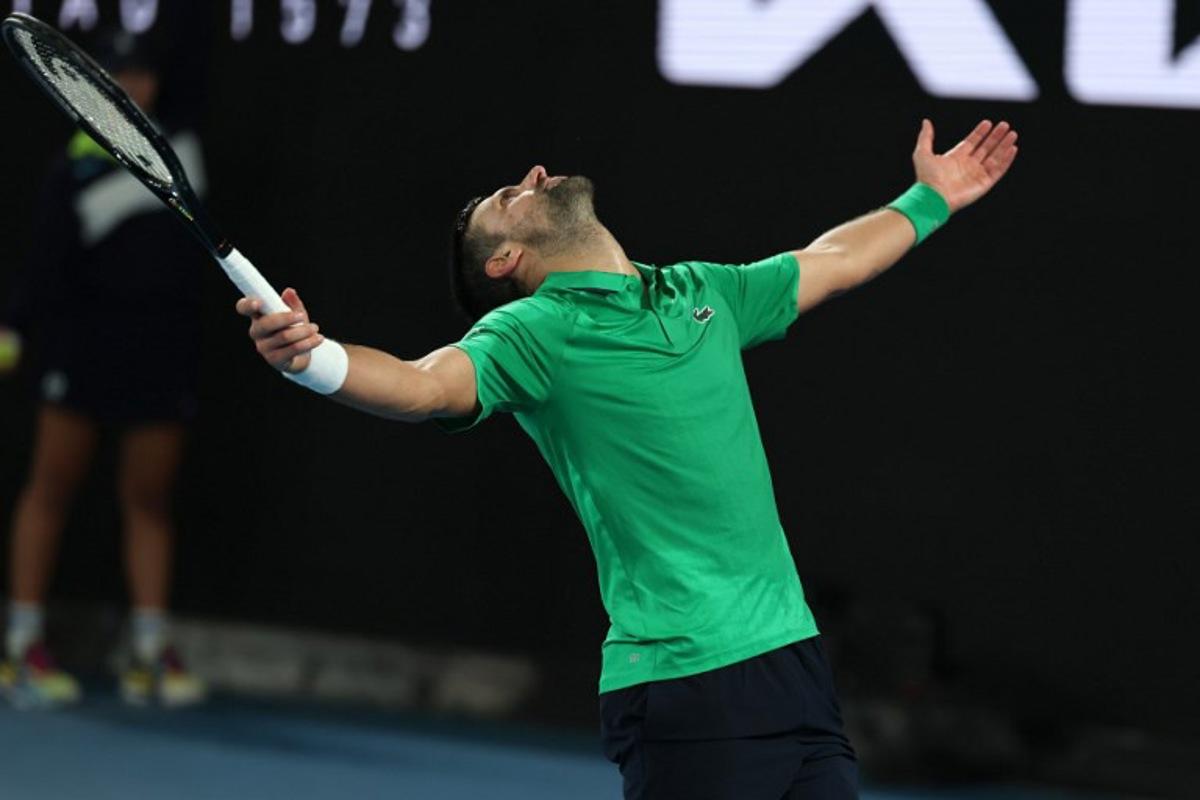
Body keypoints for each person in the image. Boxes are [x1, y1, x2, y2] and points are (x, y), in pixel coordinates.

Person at [238, 119, 1018, 799]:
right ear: (506, 260)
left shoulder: (700, 292)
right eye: (508, 198)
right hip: (686, 681)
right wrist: (314, 360)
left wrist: (930, 199)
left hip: (793, 664)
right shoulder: (529, 335)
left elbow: (834, 259)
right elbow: (419, 385)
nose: (533, 176)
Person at [0, 30, 206, 709]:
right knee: (50, 487)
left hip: (159, 350)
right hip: (82, 346)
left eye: (142, 75)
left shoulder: (185, 150)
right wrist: (14, 328)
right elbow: (43, 267)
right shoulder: (72, 169)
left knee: (149, 498)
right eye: (119, 76)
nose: (133, 87)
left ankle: (148, 652)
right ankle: (20, 645)